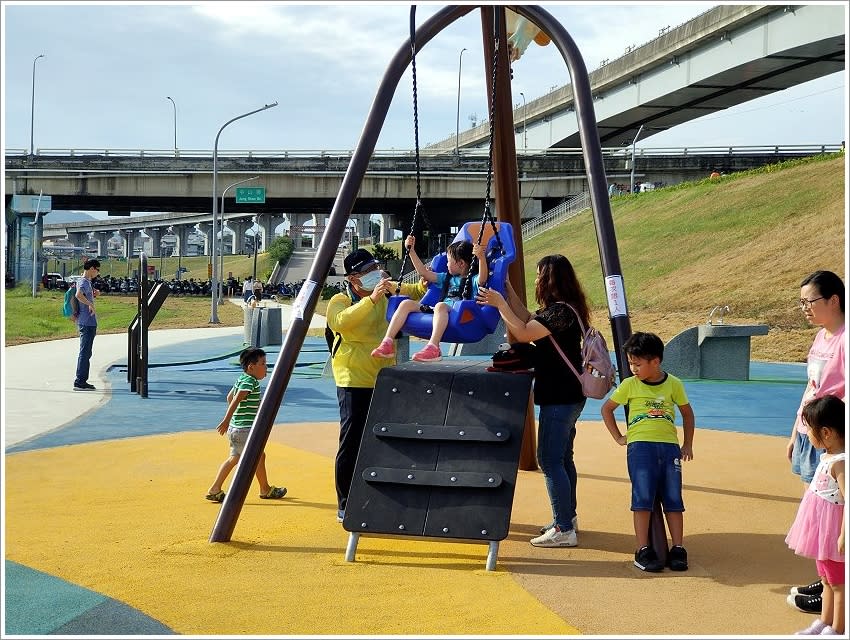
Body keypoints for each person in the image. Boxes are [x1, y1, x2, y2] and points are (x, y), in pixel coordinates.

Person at [476, 254, 588, 548]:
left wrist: (500, 304)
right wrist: (508, 290)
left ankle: (564, 529)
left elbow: (523, 333)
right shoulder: (561, 310)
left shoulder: (561, 312)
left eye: (540, 275)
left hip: (561, 396)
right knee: (563, 458)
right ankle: (568, 517)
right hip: (570, 394)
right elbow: (527, 318)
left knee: (549, 460)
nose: (537, 280)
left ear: (550, 279)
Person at [326, 248, 426, 522]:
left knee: (382, 439)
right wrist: (371, 298)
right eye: (368, 271)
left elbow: (417, 288)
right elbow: (340, 323)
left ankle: (379, 494)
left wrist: (428, 275)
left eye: (376, 268)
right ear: (353, 277)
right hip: (353, 377)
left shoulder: (386, 291)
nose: (375, 274)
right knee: (352, 439)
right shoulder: (340, 299)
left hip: (383, 375)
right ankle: (345, 501)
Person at [600, 331, 695, 572]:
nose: (633, 368)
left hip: (669, 447)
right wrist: (619, 437)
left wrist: (687, 444)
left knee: (673, 499)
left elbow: (687, 413)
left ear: (656, 361)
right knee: (642, 498)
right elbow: (607, 409)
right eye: (631, 363)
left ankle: (678, 548)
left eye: (638, 364)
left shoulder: (674, 383)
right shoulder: (629, 385)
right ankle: (642, 548)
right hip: (640, 447)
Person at [786, 270, 846, 614]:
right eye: (802, 302)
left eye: (810, 301)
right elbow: (811, 386)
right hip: (813, 431)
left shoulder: (845, 338)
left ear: (833, 300)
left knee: (835, 508)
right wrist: (796, 430)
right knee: (817, 506)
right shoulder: (822, 337)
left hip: (832, 436)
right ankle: (826, 575)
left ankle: (836, 585)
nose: (805, 308)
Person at [371, 235, 487, 363]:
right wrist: (411, 251)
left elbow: (482, 279)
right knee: (406, 304)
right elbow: (423, 273)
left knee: (440, 306)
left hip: (460, 315)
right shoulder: (446, 278)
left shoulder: (473, 280)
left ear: (461, 264)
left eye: (449, 261)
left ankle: (434, 347)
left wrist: (481, 258)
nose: (446, 264)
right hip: (438, 312)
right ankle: (387, 343)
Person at [785, 395, 845, 636]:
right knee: (827, 579)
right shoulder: (828, 456)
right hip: (822, 531)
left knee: (839, 584)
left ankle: (838, 629)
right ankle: (824, 622)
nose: (807, 433)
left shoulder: (840, 463)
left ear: (827, 433)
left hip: (833, 532)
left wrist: (843, 534)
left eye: (810, 429)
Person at [205, 347, 287, 503]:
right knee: (253, 457)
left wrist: (237, 416)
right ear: (251, 367)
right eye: (263, 364)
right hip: (245, 429)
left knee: (239, 457)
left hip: (236, 429)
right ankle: (264, 489)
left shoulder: (242, 378)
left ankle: (216, 489)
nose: (266, 367)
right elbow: (235, 400)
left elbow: (230, 397)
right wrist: (227, 419)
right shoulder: (251, 382)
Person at [73, 259, 101, 391]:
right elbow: (78, 295)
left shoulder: (86, 282)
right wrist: (90, 304)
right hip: (87, 323)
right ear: (92, 269)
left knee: (86, 352)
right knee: (85, 352)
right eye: (98, 269)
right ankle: (80, 381)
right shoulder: (84, 281)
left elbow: (83, 294)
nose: (98, 272)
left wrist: (94, 294)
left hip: (88, 322)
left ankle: (81, 380)